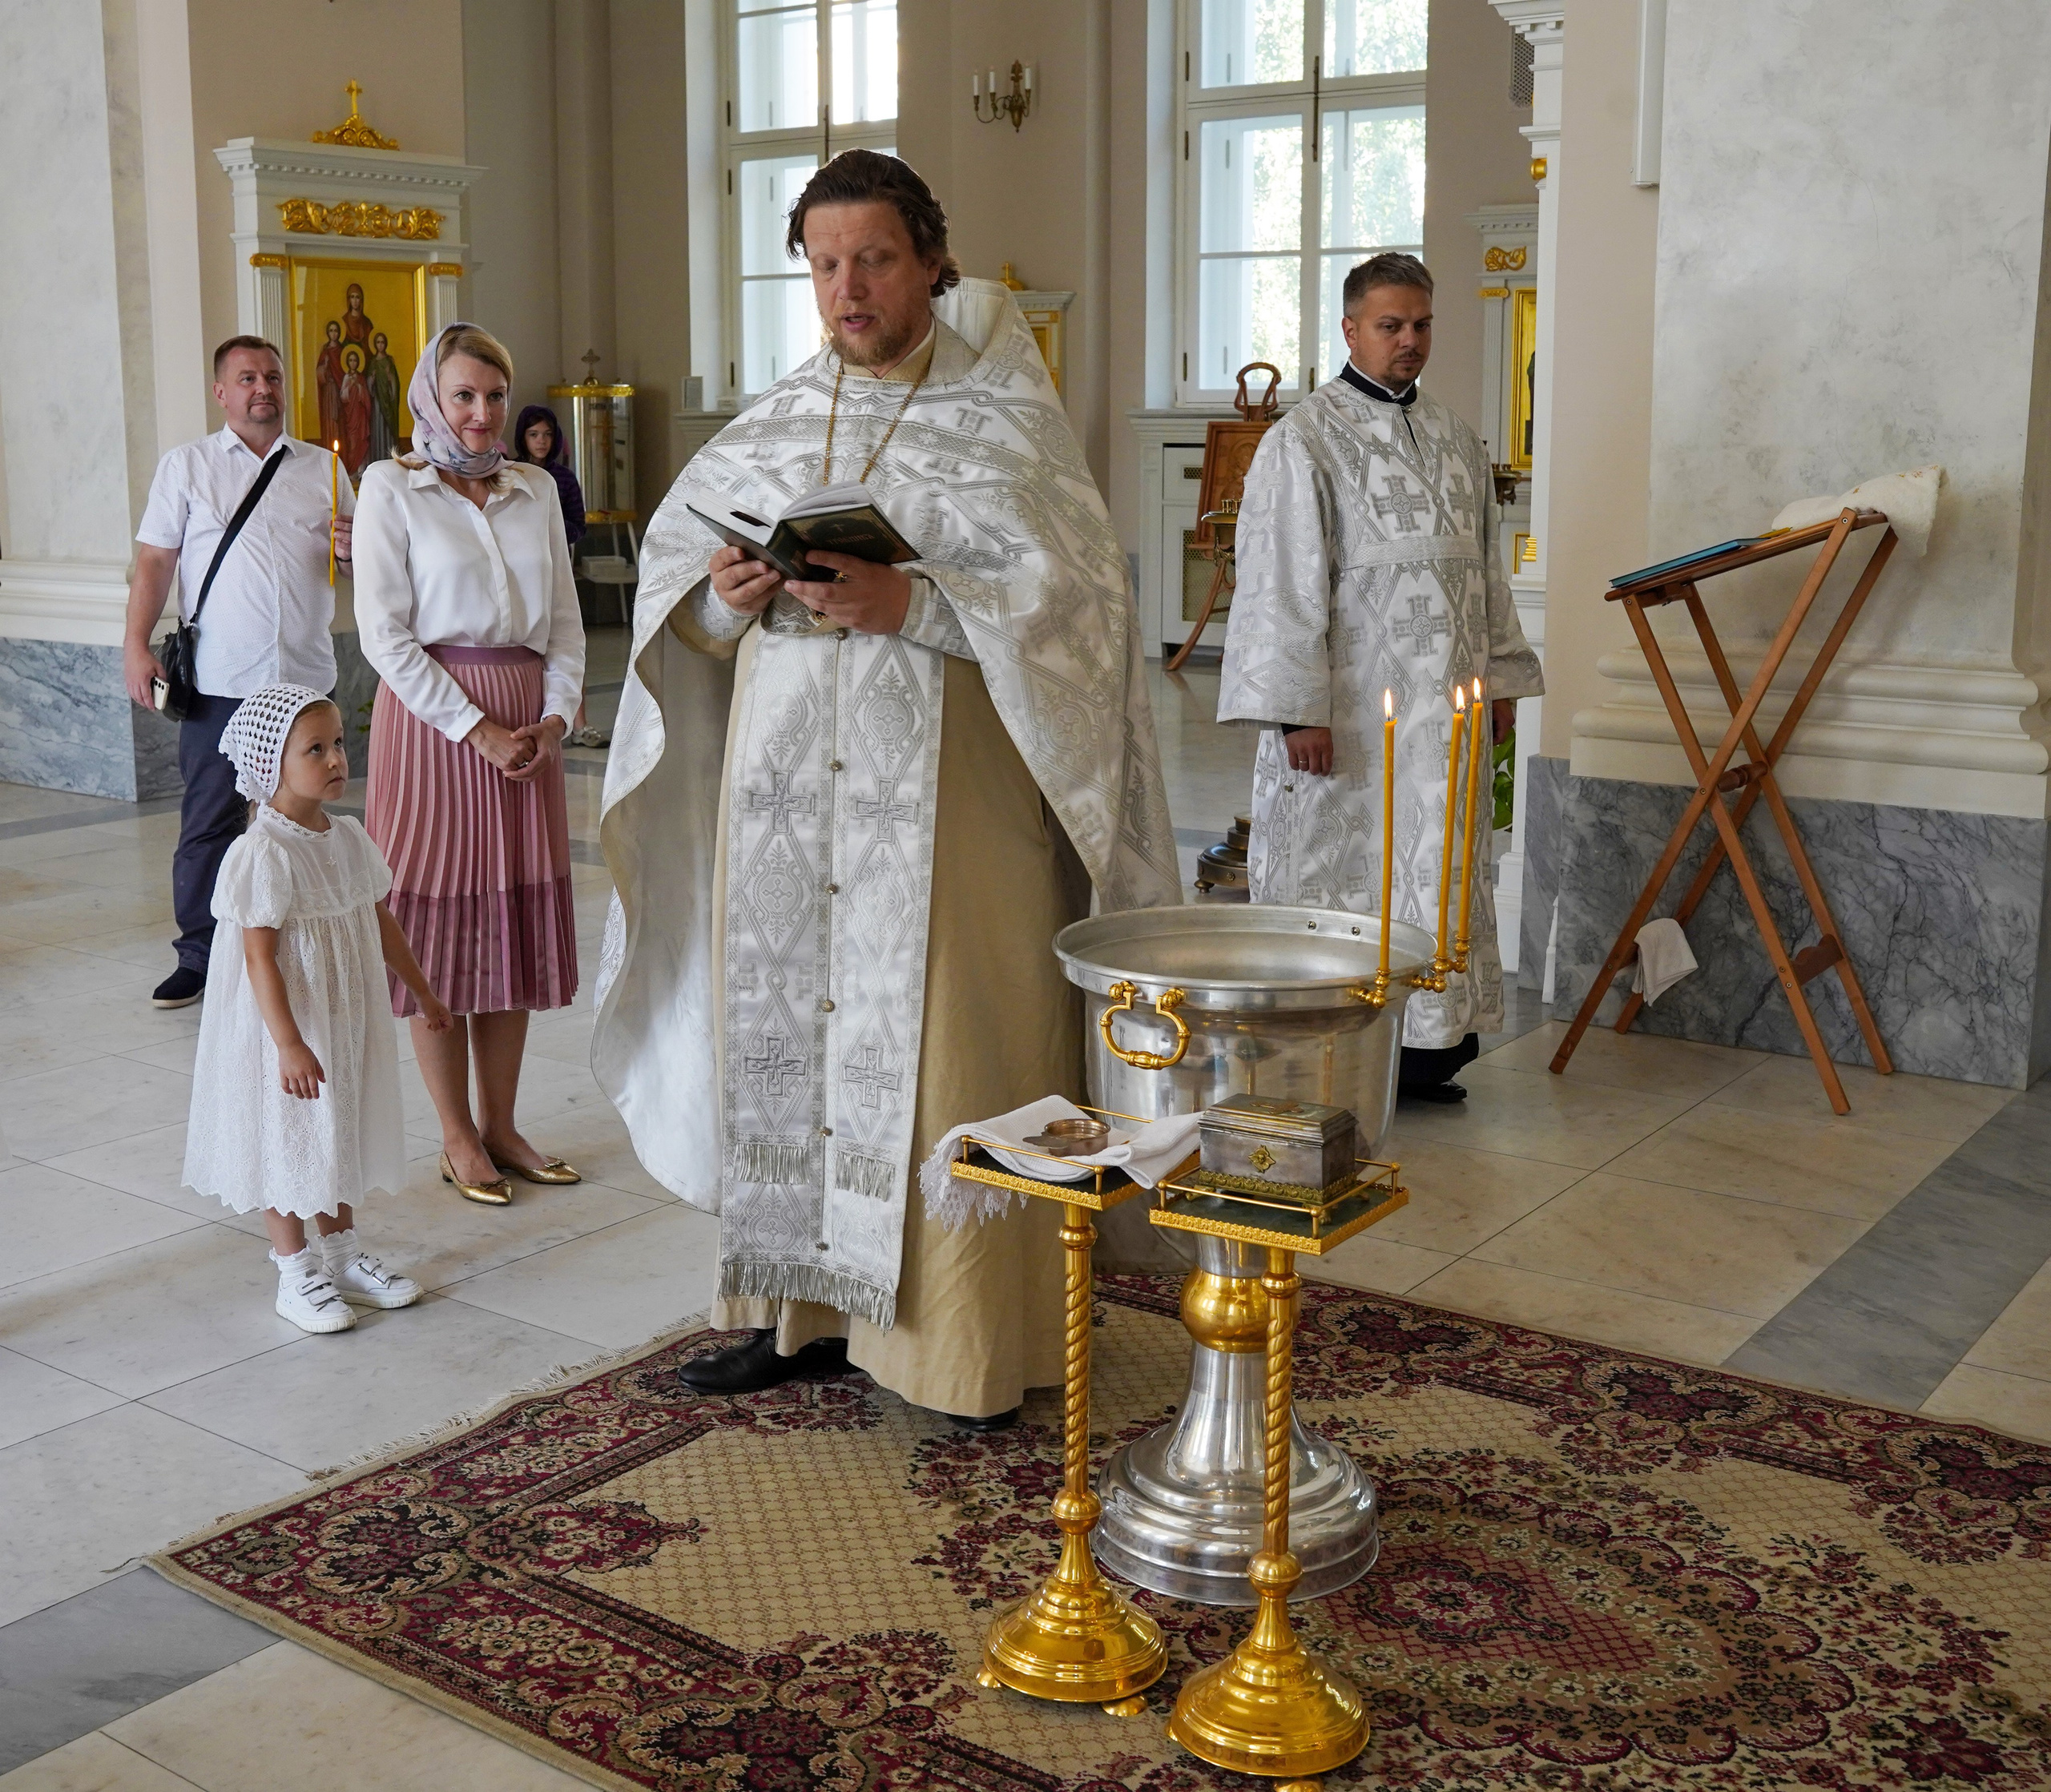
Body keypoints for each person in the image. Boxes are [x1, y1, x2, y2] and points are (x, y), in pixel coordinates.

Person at [594, 150, 1179, 1424]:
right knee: (787, 1044)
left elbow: (1077, 616)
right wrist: (719, 597)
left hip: (949, 807)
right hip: (788, 800)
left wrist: (912, 602)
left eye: (873, 260)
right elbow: (672, 614)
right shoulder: (773, 423)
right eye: (823, 264)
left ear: (929, 263)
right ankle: (786, 1316)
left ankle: (956, 1345)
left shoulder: (1006, 423)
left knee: (943, 1052)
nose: (846, 289)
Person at [1219, 252, 1545, 1101]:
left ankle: (1430, 1048)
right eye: (1390, 325)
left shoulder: (1451, 437)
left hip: (1447, 707)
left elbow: (1482, 570)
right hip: (1353, 717)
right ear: (1350, 329)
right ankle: (1333, 1048)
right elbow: (1280, 583)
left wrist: (1499, 678)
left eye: (1422, 324)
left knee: (1436, 867)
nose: (1409, 341)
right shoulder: (1304, 440)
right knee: (1350, 873)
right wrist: (1297, 713)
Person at [353, 322, 587, 1206]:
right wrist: (476, 727)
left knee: (514, 929)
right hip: (435, 724)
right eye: (464, 395)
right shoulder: (392, 486)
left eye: (494, 395)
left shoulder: (531, 489)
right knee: (438, 933)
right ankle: (456, 1133)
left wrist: (557, 714)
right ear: (431, 397)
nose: (482, 413)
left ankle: (504, 1122)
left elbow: (564, 621)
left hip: (528, 722)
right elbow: (385, 635)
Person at [181, 686, 449, 1334]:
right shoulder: (263, 852)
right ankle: (295, 1269)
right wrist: (289, 1043)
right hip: (289, 1025)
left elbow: (377, 917)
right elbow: (258, 959)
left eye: (338, 744)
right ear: (271, 763)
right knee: (288, 1139)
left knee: (338, 1129)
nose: (336, 759)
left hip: (342, 1018)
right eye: (316, 749)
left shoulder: (348, 837)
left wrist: (420, 986)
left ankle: (344, 1256)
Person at [125, 336, 355, 1009]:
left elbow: (366, 561)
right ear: (222, 392)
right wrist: (135, 644)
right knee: (209, 819)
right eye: (248, 378)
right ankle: (200, 954)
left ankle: (305, 934)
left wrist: (359, 546)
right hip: (222, 680)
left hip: (305, 681)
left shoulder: (326, 470)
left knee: (306, 815)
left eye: (274, 377)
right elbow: (155, 563)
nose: (264, 388)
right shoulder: (188, 466)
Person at [512, 405, 586, 552]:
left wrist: (551, 523)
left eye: (548, 434)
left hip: (556, 555)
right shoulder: (511, 473)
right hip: (518, 554)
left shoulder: (566, 477)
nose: (542, 441)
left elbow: (579, 528)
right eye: (533, 434)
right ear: (523, 437)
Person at [368, 331, 402, 463]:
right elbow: (369, 384)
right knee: (378, 427)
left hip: (388, 400)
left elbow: (395, 384)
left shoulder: (389, 361)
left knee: (387, 430)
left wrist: (390, 378)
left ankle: (390, 458)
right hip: (377, 401)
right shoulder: (373, 362)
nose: (380, 345)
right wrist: (372, 379)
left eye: (382, 342)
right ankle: (378, 458)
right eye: (378, 342)